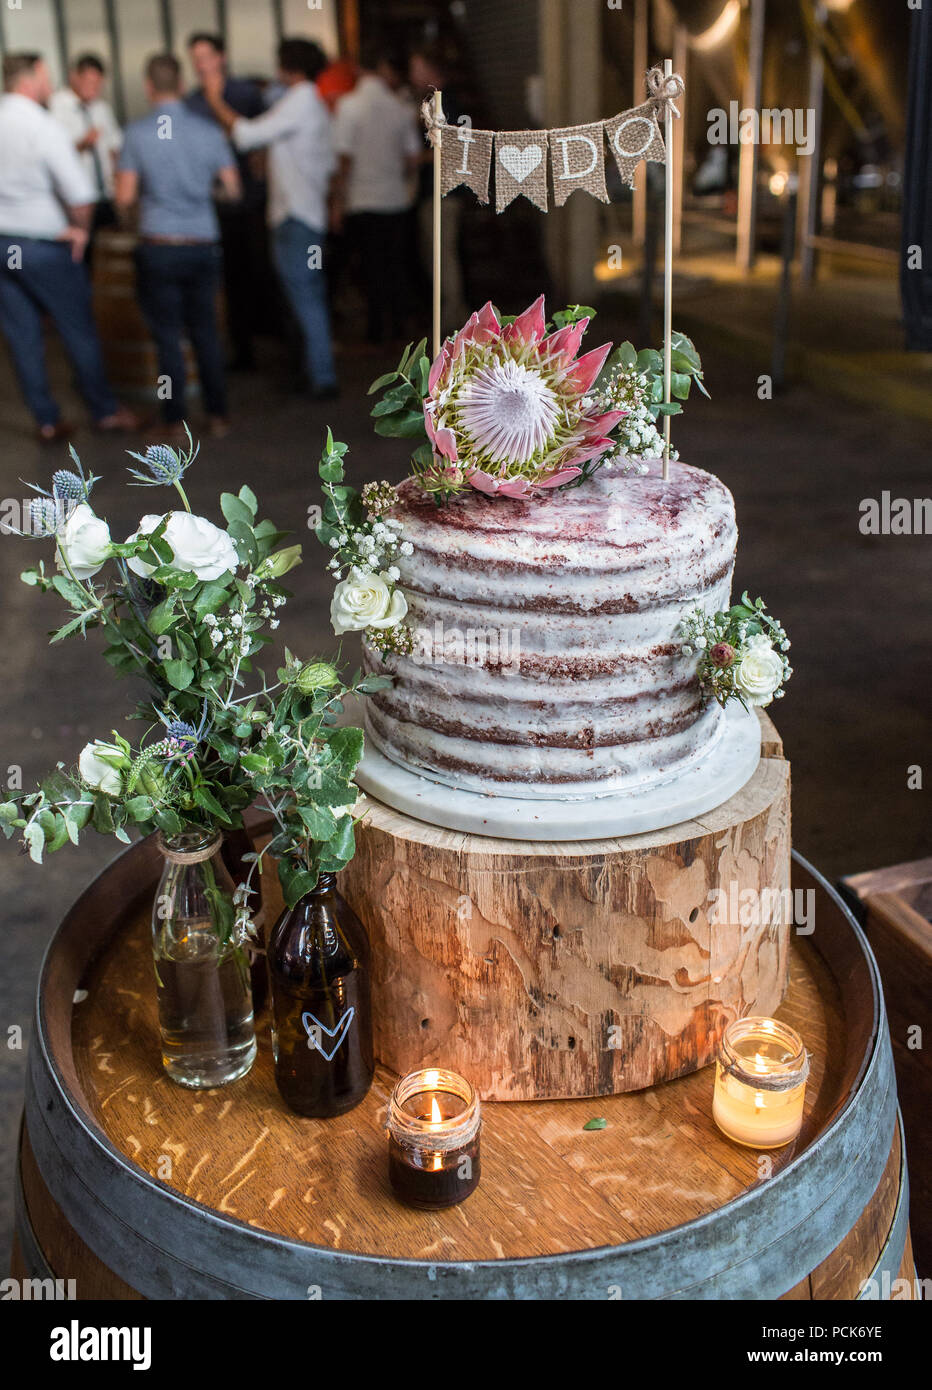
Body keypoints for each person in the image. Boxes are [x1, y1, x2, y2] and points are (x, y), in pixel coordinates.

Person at [0, 53, 137, 442]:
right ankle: (105, 411)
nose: (50, 82)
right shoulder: (41, 125)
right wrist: (80, 230)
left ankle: (46, 421)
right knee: (78, 329)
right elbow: (80, 195)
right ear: (32, 79)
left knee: (22, 335)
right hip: (44, 246)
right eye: (46, 75)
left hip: (3, 245)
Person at [203, 38, 338, 400]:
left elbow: (247, 134)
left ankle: (322, 379)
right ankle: (313, 372)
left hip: (295, 215)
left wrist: (215, 99)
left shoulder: (299, 101)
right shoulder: (311, 104)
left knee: (305, 298)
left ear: (289, 66)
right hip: (307, 211)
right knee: (306, 296)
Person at [115, 54, 240, 438]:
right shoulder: (209, 131)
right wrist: (205, 194)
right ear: (183, 86)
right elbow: (233, 190)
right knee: (206, 332)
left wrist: (139, 212)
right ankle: (217, 416)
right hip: (203, 244)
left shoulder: (136, 134)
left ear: (148, 87)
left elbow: (124, 197)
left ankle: (174, 419)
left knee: (168, 336)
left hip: (159, 244)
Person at [185, 32, 266, 371]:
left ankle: (261, 342)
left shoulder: (245, 93)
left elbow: (259, 140)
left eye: (205, 56)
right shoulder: (190, 101)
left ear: (222, 57)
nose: (200, 64)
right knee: (221, 280)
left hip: (246, 202)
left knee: (253, 272)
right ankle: (233, 349)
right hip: (208, 204)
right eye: (195, 58)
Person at [331, 43, 421, 345]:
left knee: (369, 268)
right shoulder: (401, 108)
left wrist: (337, 201)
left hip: (362, 200)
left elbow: (344, 158)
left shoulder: (348, 105)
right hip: (394, 200)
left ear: (358, 69)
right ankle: (397, 325)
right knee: (394, 265)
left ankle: (375, 328)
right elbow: (411, 158)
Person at [409, 46, 468, 331]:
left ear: (432, 70)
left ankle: (452, 318)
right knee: (436, 255)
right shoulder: (434, 102)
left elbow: (451, 148)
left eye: (417, 68)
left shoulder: (446, 103)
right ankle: (452, 314)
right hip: (438, 193)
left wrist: (416, 158)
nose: (412, 75)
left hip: (443, 194)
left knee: (442, 256)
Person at [49, 53, 121, 265]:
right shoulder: (56, 108)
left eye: (98, 83)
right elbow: (53, 155)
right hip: (73, 200)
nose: (94, 88)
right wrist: (82, 144)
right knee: (77, 254)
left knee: (104, 255)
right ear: (74, 77)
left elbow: (113, 148)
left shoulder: (102, 108)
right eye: (89, 82)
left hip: (103, 195)